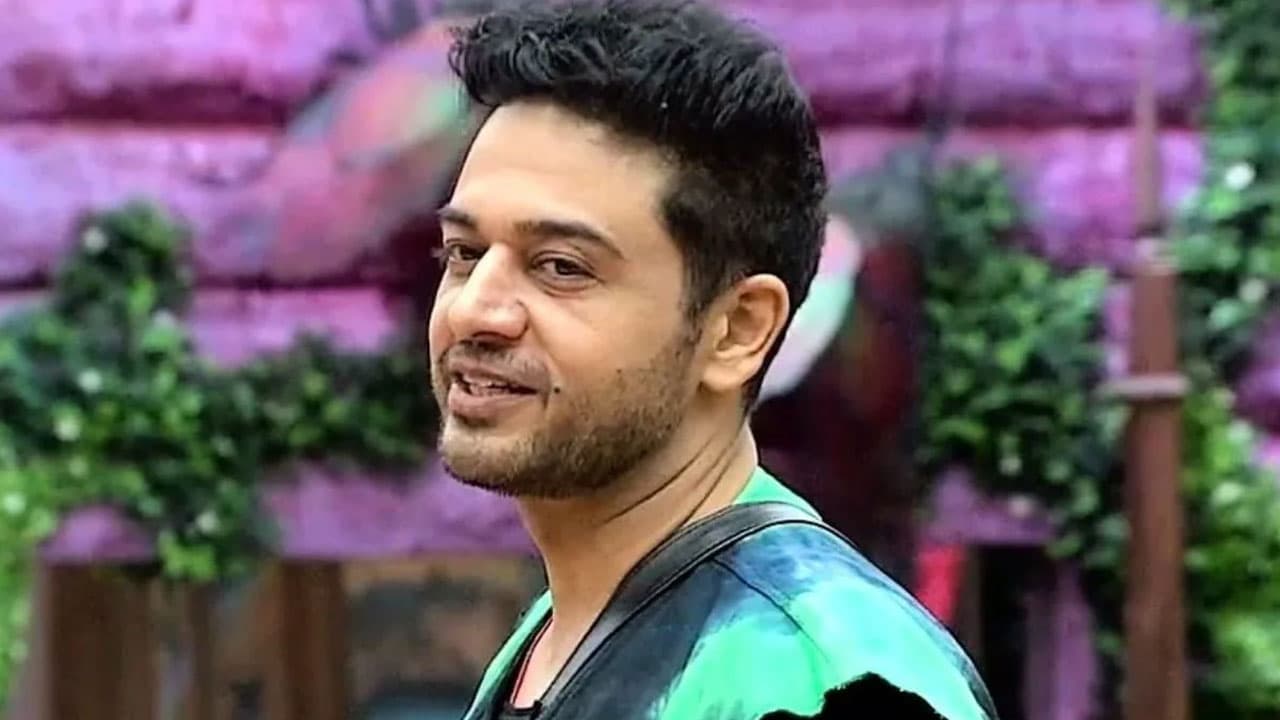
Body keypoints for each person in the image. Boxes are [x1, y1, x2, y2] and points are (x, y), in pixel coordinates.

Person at [426, 1, 997, 718]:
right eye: (465, 253)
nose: (474, 310)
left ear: (736, 331)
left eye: (561, 266)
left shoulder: (823, 677)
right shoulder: (561, 629)